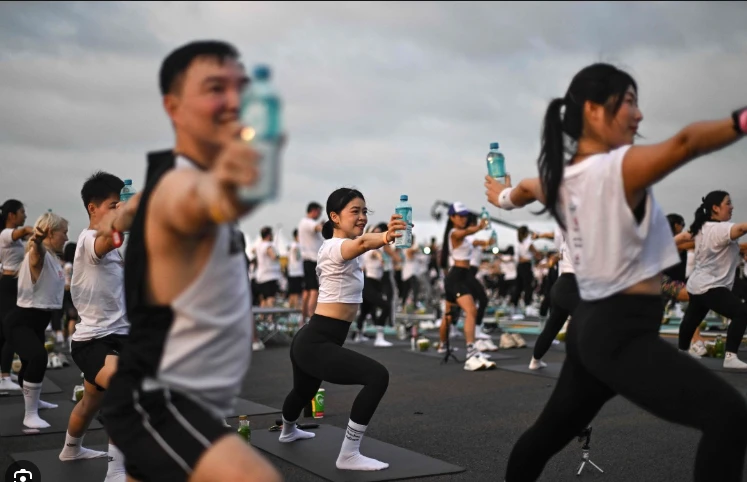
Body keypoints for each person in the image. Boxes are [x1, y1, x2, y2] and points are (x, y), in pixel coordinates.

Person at [485, 62, 747, 481]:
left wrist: (502, 197)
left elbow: (525, 189)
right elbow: (686, 142)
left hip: (595, 327)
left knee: (546, 436)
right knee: (730, 415)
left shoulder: (561, 178)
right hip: (618, 332)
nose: (639, 114)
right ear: (593, 109)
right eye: (629, 101)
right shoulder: (619, 167)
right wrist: (742, 119)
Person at [100, 40, 282, 482]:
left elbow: (141, 207)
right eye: (215, 88)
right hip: (157, 397)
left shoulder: (169, 181)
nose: (233, 100)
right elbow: (195, 200)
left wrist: (123, 214)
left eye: (240, 88)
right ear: (174, 106)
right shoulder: (181, 187)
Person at [279, 188, 406, 471]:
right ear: (334, 217)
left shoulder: (343, 245)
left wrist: (382, 236)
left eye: (364, 211)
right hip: (317, 341)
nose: (361, 217)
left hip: (313, 339)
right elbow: (359, 245)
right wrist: (385, 237)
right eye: (354, 212)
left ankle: (288, 431)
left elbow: (361, 241)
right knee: (377, 377)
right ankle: (348, 454)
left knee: (304, 391)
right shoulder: (336, 246)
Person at [57, 172, 139, 482]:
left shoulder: (117, 247)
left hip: (119, 336)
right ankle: (116, 471)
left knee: (92, 400)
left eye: (121, 204)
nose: (119, 210)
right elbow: (110, 237)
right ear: (93, 209)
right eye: (112, 204)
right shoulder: (90, 241)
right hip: (94, 342)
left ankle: (71, 448)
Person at [4, 212, 68, 428]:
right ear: (51, 232)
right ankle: (29, 414)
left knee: (30, 362)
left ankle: (34, 401)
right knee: (38, 358)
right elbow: (36, 252)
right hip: (22, 320)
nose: (66, 238)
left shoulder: (53, 258)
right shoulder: (38, 254)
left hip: (38, 320)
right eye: (64, 233)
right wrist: (38, 240)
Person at [676, 191, 747, 367]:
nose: (732, 207)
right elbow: (741, 229)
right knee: (742, 312)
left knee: (691, 320)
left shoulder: (703, 227)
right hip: (711, 286)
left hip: (698, 284)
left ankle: (682, 353)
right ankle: (730, 357)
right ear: (715, 208)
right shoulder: (720, 228)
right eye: (728, 203)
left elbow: (685, 237)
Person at [439, 202, 496, 370]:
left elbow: (474, 239)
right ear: (452, 217)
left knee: (449, 316)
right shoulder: (454, 233)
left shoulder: (462, 235)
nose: (463, 218)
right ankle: (471, 352)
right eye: (460, 216)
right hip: (456, 277)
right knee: (471, 311)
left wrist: (486, 240)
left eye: (465, 215)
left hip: (462, 276)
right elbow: (466, 232)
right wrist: (478, 227)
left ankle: (442, 345)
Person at [0, 199, 33, 390]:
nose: (24, 215)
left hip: (14, 286)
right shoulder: (6, 234)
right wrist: (33, 229)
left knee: (6, 332)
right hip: (8, 286)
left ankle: (4, 373)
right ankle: (4, 377)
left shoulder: (15, 239)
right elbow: (23, 231)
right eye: (22, 212)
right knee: (12, 331)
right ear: (12, 215)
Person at [298, 202, 325, 325]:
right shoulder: (308, 222)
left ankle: (303, 319)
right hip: (312, 260)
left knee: (308, 291)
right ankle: (312, 320)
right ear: (314, 211)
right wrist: (325, 226)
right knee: (314, 290)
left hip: (307, 261)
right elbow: (318, 228)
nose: (319, 215)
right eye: (319, 212)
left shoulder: (303, 223)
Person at [255, 226, 282, 308]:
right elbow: (273, 256)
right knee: (271, 298)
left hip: (261, 276)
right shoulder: (268, 245)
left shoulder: (259, 245)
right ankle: (270, 318)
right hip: (270, 276)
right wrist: (277, 255)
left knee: (264, 299)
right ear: (268, 235)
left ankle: (263, 317)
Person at [287, 229, 304, 310]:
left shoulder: (291, 245)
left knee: (292, 292)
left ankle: (290, 309)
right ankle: (296, 308)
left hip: (292, 271)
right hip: (297, 271)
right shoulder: (296, 245)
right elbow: (298, 257)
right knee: (297, 292)